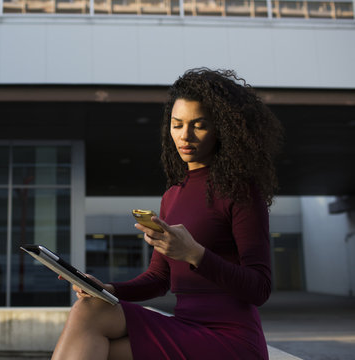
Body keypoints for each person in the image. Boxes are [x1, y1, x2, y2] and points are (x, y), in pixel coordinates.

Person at [52, 68, 284, 360]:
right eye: (177, 125)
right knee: (94, 321)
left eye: (198, 125)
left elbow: (260, 288)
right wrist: (107, 287)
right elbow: (159, 278)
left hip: (232, 339)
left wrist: (195, 254)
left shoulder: (241, 190)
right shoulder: (172, 195)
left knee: (90, 317)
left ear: (222, 129)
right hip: (187, 327)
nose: (185, 136)